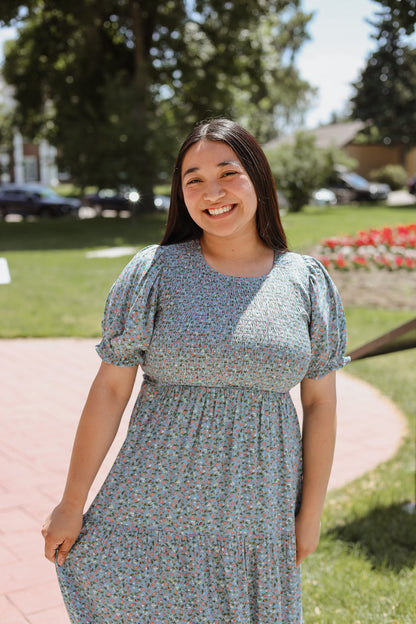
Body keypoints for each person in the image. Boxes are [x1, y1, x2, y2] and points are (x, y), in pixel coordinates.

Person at [42, 118, 349, 623]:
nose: (213, 192)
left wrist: (309, 514)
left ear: (258, 179)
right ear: (180, 193)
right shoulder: (155, 272)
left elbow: (320, 404)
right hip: (154, 510)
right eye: (194, 179)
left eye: (228, 173)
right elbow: (109, 392)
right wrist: (72, 502)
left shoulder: (306, 281)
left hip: (258, 514)